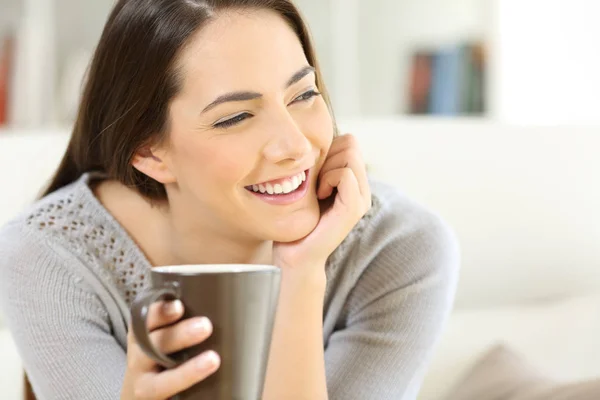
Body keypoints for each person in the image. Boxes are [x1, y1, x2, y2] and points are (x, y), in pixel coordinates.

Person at [0, 0, 460, 399]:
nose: (295, 146)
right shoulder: (49, 260)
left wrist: (301, 272)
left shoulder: (400, 249)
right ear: (148, 151)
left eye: (304, 94)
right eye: (236, 116)